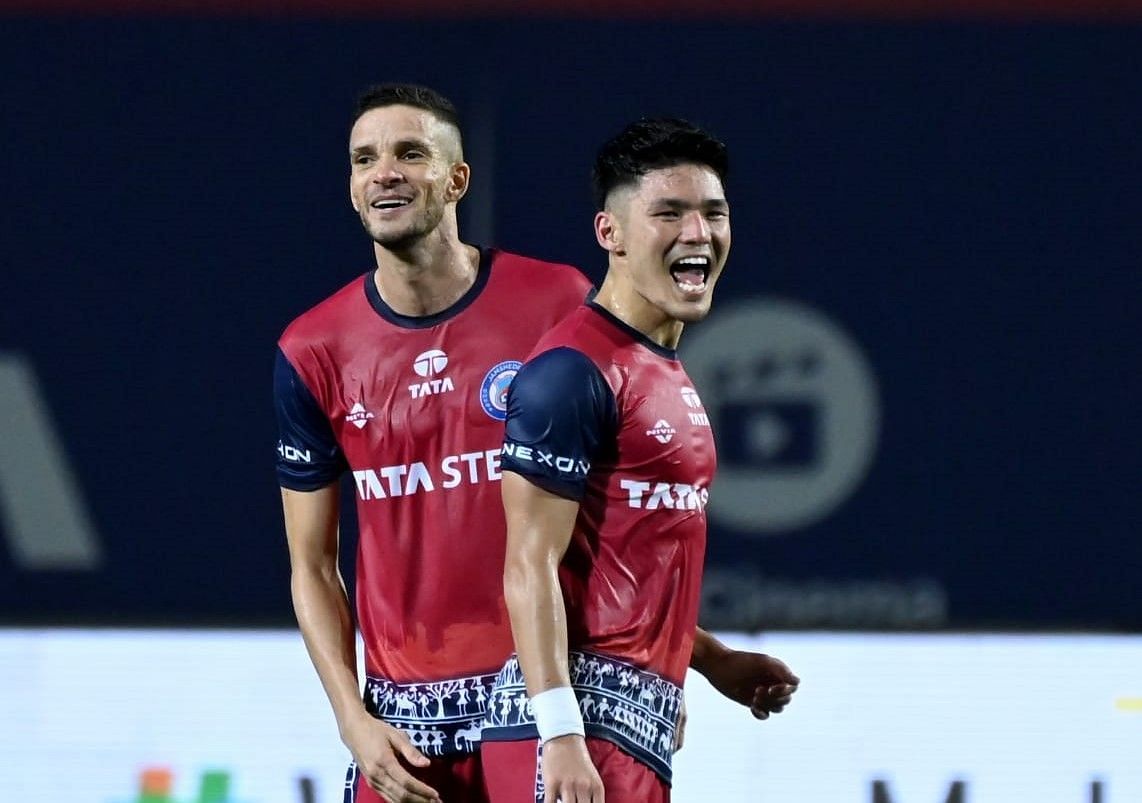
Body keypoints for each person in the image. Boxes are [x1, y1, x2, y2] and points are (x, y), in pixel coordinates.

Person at [273, 83, 593, 803]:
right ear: (353, 190)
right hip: (402, 722)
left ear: (457, 181)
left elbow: (618, 507)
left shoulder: (556, 303)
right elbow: (312, 565)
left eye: (409, 153)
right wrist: (352, 718)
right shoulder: (311, 349)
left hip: (537, 698)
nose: (383, 171)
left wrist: (655, 663)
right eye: (364, 159)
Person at [480, 118, 800, 802]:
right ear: (610, 234)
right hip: (576, 731)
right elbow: (526, 563)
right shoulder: (570, 372)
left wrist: (709, 659)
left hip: (631, 729)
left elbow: (623, 562)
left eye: (714, 213)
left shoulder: (660, 367)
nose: (698, 233)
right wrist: (560, 733)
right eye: (670, 213)